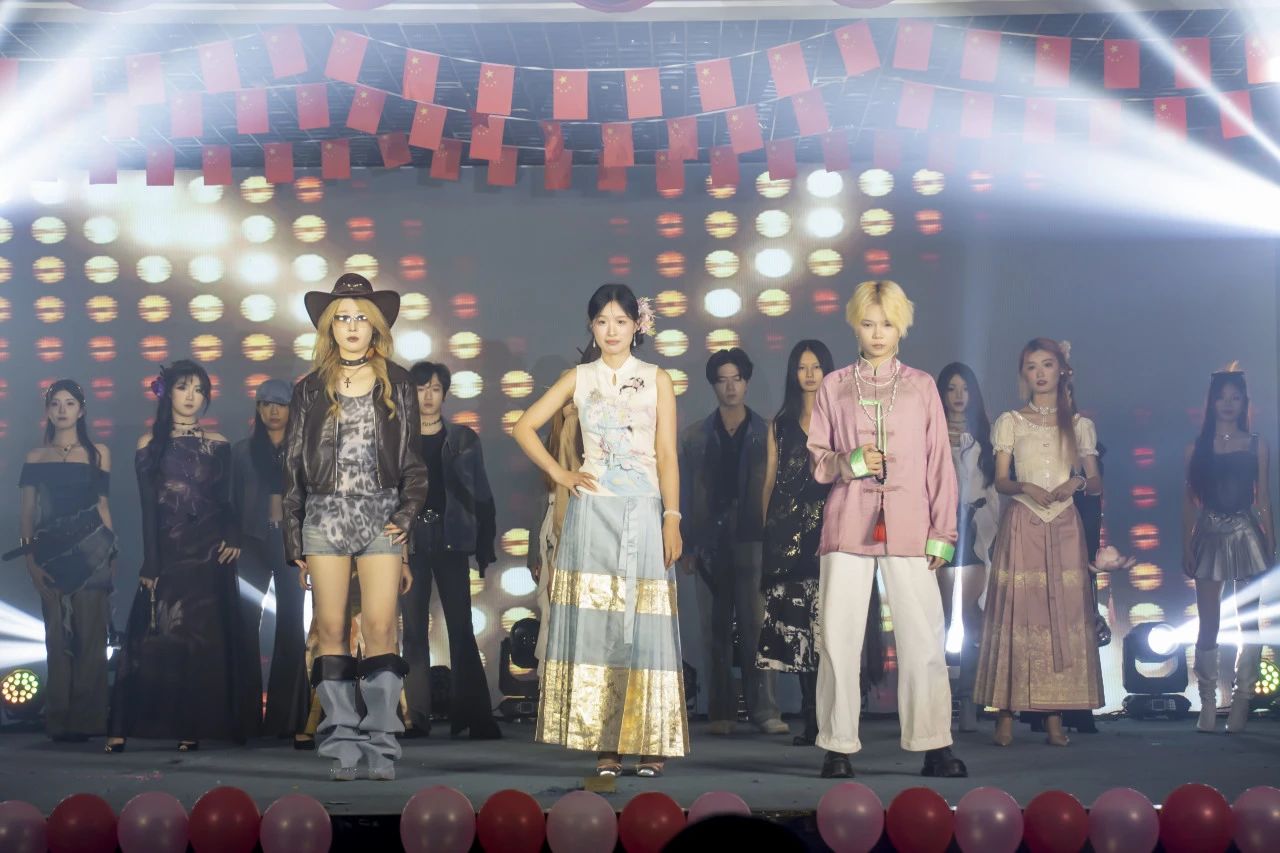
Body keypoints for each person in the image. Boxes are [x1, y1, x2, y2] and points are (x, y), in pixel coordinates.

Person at [512, 283, 687, 778]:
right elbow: (524, 427)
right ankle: (606, 743)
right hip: (593, 515)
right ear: (591, 326)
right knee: (601, 626)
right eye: (602, 321)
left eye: (621, 321)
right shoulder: (579, 377)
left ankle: (650, 740)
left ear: (637, 325)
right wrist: (562, 474)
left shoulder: (656, 379)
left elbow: (667, 455)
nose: (611, 330)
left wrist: (672, 517)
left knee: (645, 624)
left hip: (644, 510)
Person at [807, 280, 966, 779]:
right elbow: (817, 461)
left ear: (902, 328)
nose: (878, 334)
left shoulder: (921, 386)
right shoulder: (834, 386)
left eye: (888, 324)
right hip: (847, 522)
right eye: (869, 323)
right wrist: (851, 461)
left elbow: (939, 462)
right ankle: (837, 745)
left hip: (911, 524)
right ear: (855, 325)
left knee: (923, 636)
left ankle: (934, 743)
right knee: (839, 637)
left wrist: (943, 532)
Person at [283, 273, 427, 781]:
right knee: (330, 631)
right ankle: (342, 741)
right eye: (341, 318)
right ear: (329, 327)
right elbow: (293, 468)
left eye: (361, 318)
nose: (350, 326)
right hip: (324, 516)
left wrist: (405, 520)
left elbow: (414, 465)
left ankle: (383, 744)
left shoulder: (399, 383)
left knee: (382, 629)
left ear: (376, 327)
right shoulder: (309, 389)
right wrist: (293, 537)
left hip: (381, 516)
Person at [974, 338, 1105, 748]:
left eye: (1047, 364)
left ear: (1061, 370)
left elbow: (1095, 481)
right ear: (1024, 374)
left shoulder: (1079, 424)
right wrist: (1024, 486)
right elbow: (1000, 480)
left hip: (1064, 524)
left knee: (1058, 617)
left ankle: (1054, 717)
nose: (1040, 373)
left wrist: (1076, 482)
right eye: (1032, 366)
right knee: (1018, 613)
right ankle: (1005, 715)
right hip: (1024, 521)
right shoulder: (1011, 421)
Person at [107, 361, 243, 753]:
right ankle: (122, 726)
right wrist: (151, 562)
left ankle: (191, 727)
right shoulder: (148, 444)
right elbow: (147, 509)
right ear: (167, 393)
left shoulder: (218, 442)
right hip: (168, 550)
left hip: (210, 552)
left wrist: (233, 536)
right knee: (152, 635)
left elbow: (227, 500)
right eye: (183, 387)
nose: (191, 396)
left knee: (200, 642)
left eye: (199, 390)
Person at [679, 348, 787, 736]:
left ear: (746, 382)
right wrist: (686, 546)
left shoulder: (767, 431)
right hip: (708, 541)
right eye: (722, 380)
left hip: (754, 538)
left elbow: (777, 491)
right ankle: (721, 711)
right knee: (715, 629)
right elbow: (684, 495)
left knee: (759, 626)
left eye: (736, 379)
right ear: (713, 385)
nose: (730, 387)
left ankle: (765, 710)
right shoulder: (693, 436)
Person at [402, 361, 502, 740]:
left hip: (451, 538)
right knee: (413, 630)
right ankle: (416, 717)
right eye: (420, 388)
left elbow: (481, 492)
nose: (427, 396)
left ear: (444, 393)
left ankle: (475, 716)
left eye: (434, 388)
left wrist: (484, 542)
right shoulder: (398, 439)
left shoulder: (462, 439)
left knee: (461, 626)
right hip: (410, 541)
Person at [14, 380, 115, 742]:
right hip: (52, 554)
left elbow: (103, 507)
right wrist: (30, 561)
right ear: (48, 410)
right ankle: (59, 720)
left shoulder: (98, 453)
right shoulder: (35, 457)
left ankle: (89, 720)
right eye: (55, 403)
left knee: (91, 638)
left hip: (93, 551)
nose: (62, 409)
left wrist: (111, 554)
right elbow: (27, 513)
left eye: (69, 403)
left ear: (81, 410)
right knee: (57, 639)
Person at [1183, 364, 1275, 733]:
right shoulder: (1197, 447)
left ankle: (1242, 700)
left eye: (1235, 397)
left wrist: (1271, 542)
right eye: (1222, 397)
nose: (1228, 403)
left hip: (1247, 533)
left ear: (1244, 402)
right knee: (1209, 623)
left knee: (1248, 623)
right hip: (1208, 532)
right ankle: (1207, 702)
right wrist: (1185, 545)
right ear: (1211, 402)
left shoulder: (1257, 444)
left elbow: (1263, 498)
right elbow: (1189, 502)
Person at [755, 340, 836, 746]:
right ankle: (811, 718)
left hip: (830, 532)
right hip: (787, 537)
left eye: (816, 366)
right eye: (802, 367)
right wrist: (767, 530)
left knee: (829, 628)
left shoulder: (839, 419)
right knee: (800, 629)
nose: (809, 374)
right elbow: (770, 481)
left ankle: (832, 717)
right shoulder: (780, 424)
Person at [230, 378, 310, 746]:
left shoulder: (305, 450)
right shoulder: (242, 452)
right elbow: (229, 500)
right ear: (258, 408)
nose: (273, 411)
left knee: (292, 626)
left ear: (293, 409)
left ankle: (286, 718)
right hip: (251, 542)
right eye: (266, 404)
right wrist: (232, 538)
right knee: (245, 624)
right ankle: (244, 717)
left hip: (293, 543)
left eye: (280, 404)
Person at [935, 363, 999, 732]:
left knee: (973, 617)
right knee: (942, 619)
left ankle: (969, 699)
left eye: (964, 388)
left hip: (978, 531)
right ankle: (938, 701)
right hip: (940, 532)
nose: (958, 396)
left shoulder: (986, 438)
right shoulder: (929, 434)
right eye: (951, 388)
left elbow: (993, 492)